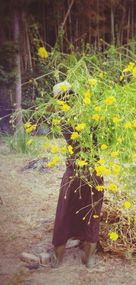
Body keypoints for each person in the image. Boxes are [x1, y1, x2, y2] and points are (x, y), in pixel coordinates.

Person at [50, 82, 104, 268]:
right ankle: (88, 259)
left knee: (64, 214)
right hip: (94, 172)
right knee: (92, 214)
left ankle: (57, 258)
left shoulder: (63, 117)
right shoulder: (93, 115)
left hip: (74, 173)